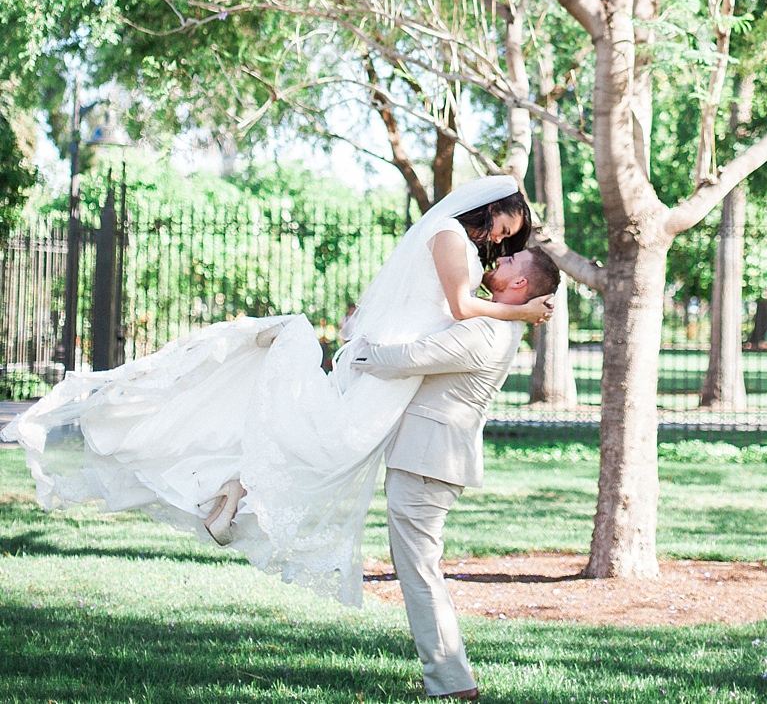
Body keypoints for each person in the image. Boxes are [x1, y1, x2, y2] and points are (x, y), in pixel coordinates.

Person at [1, 176, 553, 603]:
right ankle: (236, 479)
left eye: (507, 242)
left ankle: (233, 490)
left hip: (393, 369)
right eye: (505, 227)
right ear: (493, 202)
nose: (499, 240)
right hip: (388, 366)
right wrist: (522, 308)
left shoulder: (455, 241)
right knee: (329, 443)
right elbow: (458, 308)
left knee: (326, 441)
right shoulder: (450, 234)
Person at [351, 244, 561, 701]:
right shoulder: (494, 325)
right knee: (418, 567)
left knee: (419, 570)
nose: (498, 261)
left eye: (509, 262)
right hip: (428, 459)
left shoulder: (486, 332)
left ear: (520, 283)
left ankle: (451, 682)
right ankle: (450, 678)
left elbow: (411, 357)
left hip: (429, 462)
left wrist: (357, 355)